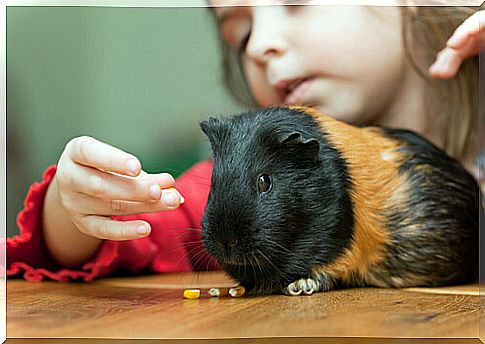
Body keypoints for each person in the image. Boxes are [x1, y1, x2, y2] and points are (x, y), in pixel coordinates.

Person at [5, 2, 484, 282]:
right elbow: (144, 230)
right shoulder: (215, 188)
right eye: (241, 33)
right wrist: (74, 211)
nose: (258, 46)